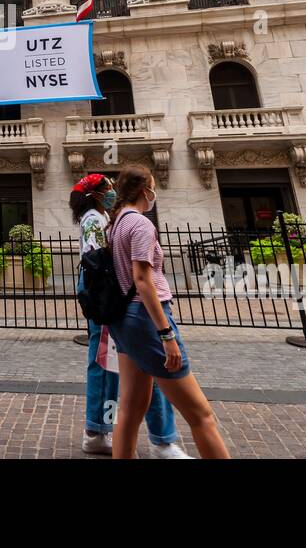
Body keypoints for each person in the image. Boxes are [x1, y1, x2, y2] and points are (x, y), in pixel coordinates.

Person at [105, 164, 230, 459]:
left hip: (124, 320)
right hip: (147, 318)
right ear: (144, 190)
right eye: (153, 186)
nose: (155, 192)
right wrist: (166, 333)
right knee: (202, 415)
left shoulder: (116, 223)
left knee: (131, 410)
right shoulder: (140, 224)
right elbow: (142, 279)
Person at [73, 174, 190, 458]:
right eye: (108, 189)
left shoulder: (105, 218)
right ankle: (108, 432)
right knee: (108, 361)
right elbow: (97, 263)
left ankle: (104, 431)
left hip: (114, 294)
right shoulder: (95, 219)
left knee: (115, 363)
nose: (112, 192)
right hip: (109, 294)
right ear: (97, 194)